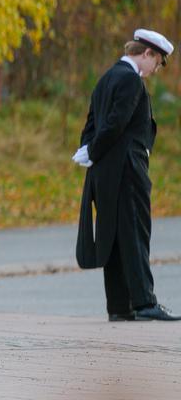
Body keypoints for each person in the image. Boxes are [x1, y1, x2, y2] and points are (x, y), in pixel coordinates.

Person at [74, 29, 180, 322]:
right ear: (146, 53)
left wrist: (88, 150)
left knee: (115, 237)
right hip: (128, 170)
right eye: (157, 62)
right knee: (135, 233)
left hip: (105, 173)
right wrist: (93, 150)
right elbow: (115, 124)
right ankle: (145, 302)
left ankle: (120, 306)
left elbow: (92, 123)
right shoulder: (131, 80)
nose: (155, 69)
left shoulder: (107, 77)